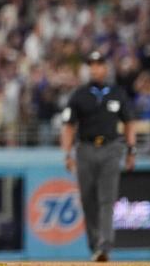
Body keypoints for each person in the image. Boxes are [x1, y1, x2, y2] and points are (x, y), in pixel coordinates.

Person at [60, 51, 136, 262]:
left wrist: (131, 150)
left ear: (106, 68)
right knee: (87, 200)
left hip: (111, 148)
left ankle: (104, 246)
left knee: (106, 200)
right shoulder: (79, 95)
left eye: (99, 64)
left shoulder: (117, 93)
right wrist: (67, 154)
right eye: (91, 64)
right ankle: (95, 246)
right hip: (85, 149)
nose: (95, 68)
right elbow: (68, 126)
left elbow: (129, 122)